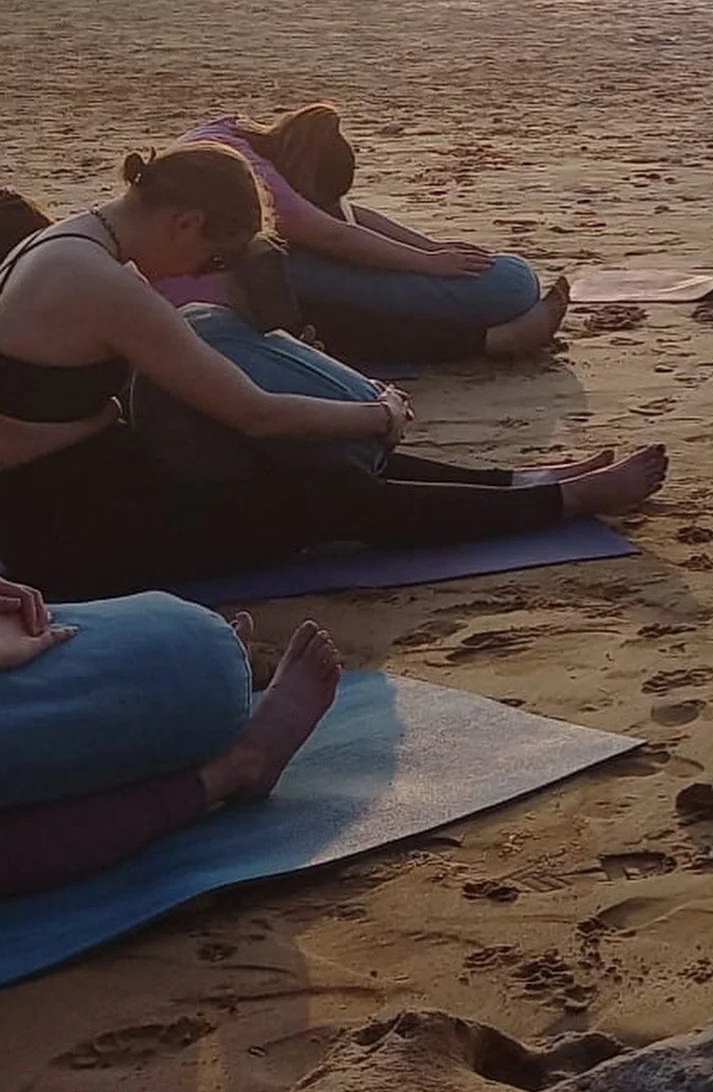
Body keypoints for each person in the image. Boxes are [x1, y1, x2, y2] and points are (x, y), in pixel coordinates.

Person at [0, 143, 666, 601]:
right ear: (187, 221)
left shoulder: (67, 244)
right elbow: (254, 412)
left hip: (95, 474)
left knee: (296, 456)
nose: (203, 273)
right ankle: (560, 502)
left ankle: (525, 479)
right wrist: (377, 413)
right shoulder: (97, 281)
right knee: (313, 498)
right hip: (61, 529)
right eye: (213, 257)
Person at [0, 576, 341, 898]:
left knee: (198, 661)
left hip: (190, 648)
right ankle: (231, 767)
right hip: (190, 641)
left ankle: (214, 748)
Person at [169, 105, 567, 364]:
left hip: (215, 274)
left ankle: (491, 336)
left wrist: (430, 247)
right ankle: (489, 341)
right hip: (210, 296)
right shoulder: (263, 186)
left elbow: (345, 219)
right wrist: (428, 263)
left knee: (507, 280)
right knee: (508, 285)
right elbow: (335, 236)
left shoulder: (232, 133)